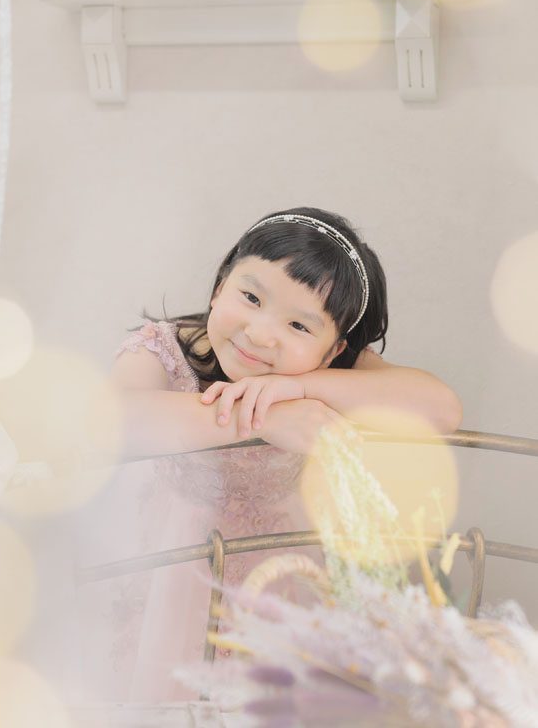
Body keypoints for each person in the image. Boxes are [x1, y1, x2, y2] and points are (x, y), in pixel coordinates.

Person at [81, 207, 462, 703]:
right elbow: (112, 423)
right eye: (251, 297)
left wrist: (299, 387)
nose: (261, 333)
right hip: (170, 574)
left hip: (287, 577)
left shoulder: (328, 371)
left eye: (299, 325)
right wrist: (260, 417)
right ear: (221, 286)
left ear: (333, 351)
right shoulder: (164, 347)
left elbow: (442, 410)